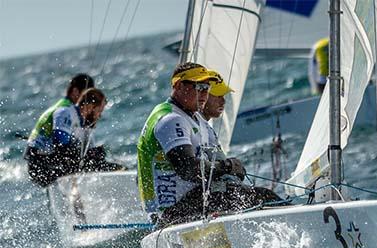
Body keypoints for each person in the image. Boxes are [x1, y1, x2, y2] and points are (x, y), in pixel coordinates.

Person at [137, 63, 282, 227]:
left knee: (256, 195)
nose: (204, 93)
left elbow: (215, 164)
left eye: (207, 88)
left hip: (192, 201)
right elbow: (188, 169)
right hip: (170, 214)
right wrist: (227, 166)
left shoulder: (196, 120)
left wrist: (232, 170)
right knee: (263, 198)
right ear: (178, 85)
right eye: (199, 87)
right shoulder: (171, 119)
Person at [25, 87, 123, 187]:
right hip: (40, 165)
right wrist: (88, 158)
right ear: (89, 107)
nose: (99, 116)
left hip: (58, 163)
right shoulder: (65, 113)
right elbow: (60, 148)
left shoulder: (85, 128)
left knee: (97, 155)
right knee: (87, 158)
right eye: (99, 111)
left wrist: (116, 168)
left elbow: (93, 160)